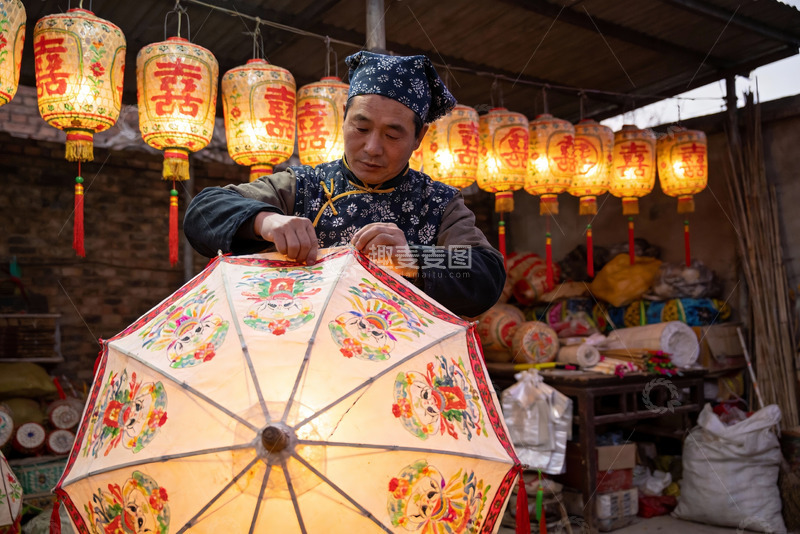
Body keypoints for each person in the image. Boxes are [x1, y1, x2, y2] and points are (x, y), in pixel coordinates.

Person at [184, 51, 505, 317]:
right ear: (343, 117)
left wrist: (413, 259)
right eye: (361, 129)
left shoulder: (438, 203)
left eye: (392, 135)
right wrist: (266, 221)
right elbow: (204, 211)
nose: (372, 148)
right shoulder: (303, 186)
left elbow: (484, 272)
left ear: (419, 137)